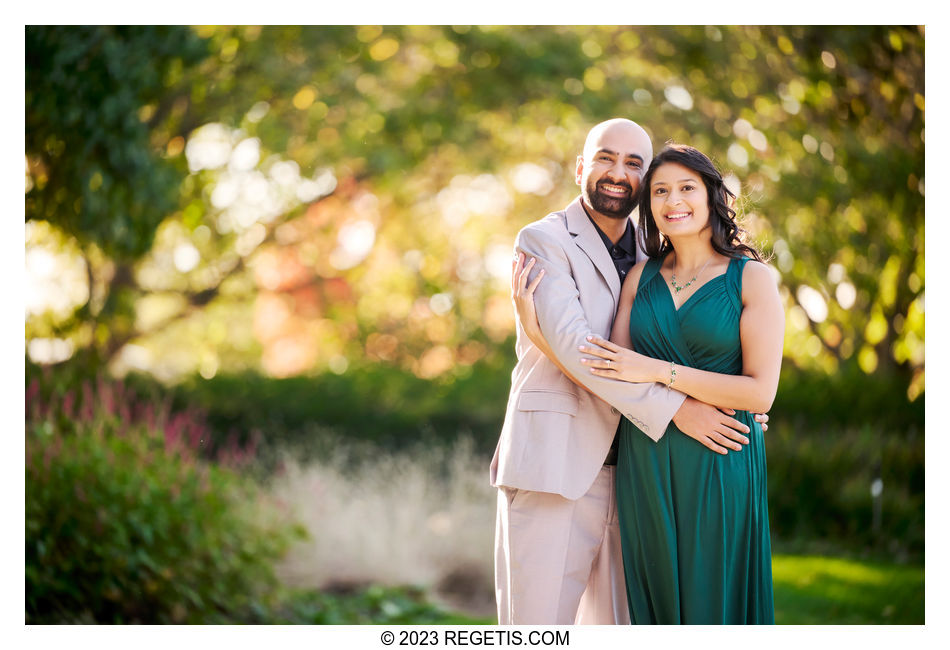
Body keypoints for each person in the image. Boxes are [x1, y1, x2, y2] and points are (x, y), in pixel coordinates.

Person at [491, 119, 767, 625]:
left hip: (642, 472)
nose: (618, 173)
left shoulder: (655, 251)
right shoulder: (544, 240)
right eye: (604, 158)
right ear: (581, 167)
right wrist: (683, 409)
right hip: (560, 464)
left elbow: (692, 347)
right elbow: (581, 350)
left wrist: (736, 399)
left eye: (634, 164)